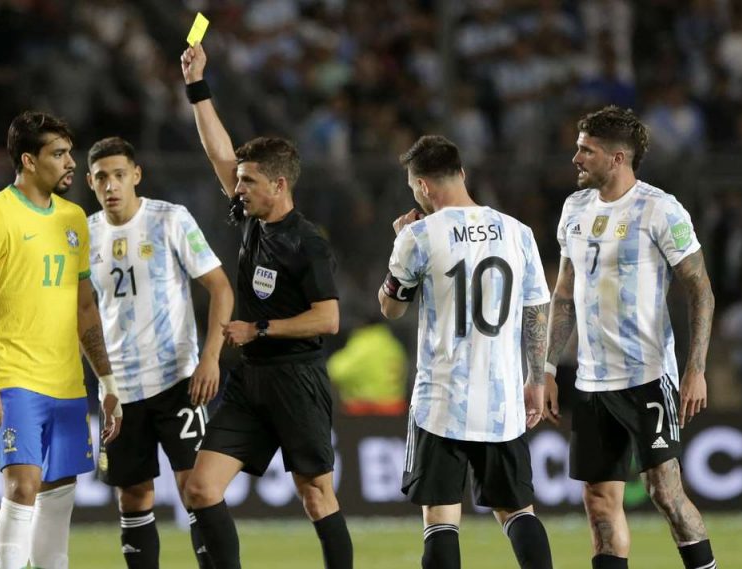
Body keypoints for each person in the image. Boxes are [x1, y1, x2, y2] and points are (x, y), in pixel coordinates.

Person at [179, 43, 353, 569]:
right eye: (239, 180)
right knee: (200, 488)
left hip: (297, 378)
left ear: (279, 185)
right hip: (251, 381)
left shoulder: (308, 243)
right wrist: (196, 86)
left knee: (316, 495)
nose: (237, 188)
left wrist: (259, 328)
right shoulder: (252, 218)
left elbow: (329, 318)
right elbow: (219, 153)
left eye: (248, 181)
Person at [543, 106, 718, 569]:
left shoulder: (660, 209)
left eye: (587, 150)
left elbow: (700, 289)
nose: (576, 158)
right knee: (599, 499)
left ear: (617, 158)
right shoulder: (574, 209)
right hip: (591, 382)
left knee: (665, 492)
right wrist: (545, 368)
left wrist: (696, 369)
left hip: (647, 377)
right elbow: (564, 294)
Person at [0, 110, 122, 569]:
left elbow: (85, 309)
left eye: (70, 153)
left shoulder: (74, 219)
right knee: (22, 485)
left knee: (58, 495)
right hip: (14, 378)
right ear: (29, 161)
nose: (71, 163)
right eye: (59, 154)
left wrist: (107, 382)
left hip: (66, 382)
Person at [378, 135, 555, 569]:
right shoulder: (518, 232)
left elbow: (391, 307)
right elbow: (537, 311)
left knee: (440, 517)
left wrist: (400, 245)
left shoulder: (418, 235)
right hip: (501, 400)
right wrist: (535, 378)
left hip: (441, 400)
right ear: (461, 173)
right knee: (517, 511)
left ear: (422, 186)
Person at [84, 136, 235, 569]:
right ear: (91, 183)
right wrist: (103, 382)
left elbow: (221, 288)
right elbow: (83, 312)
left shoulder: (170, 219)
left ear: (136, 175)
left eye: (118, 175)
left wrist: (210, 358)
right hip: (119, 391)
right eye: (101, 177)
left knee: (197, 489)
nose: (110, 185)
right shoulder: (85, 235)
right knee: (133, 496)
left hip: (177, 380)